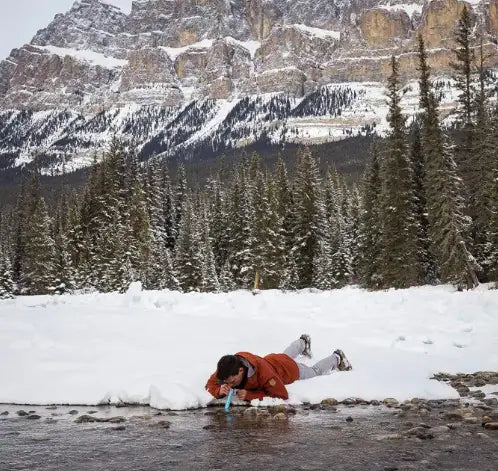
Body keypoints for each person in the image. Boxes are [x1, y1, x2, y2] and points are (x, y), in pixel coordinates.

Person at [205, 335, 352, 402]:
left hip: (288, 370)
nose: (229, 385)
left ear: (241, 371)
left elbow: (281, 395)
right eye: (227, 382)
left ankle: (337, 358)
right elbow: (210, 383)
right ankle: (303, 342)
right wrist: (218, 390)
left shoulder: (265, 375)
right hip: (272, 359)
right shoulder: (227, 368)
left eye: (232, 382)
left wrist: (250, 395)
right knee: (284, 355)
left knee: (314, 371)